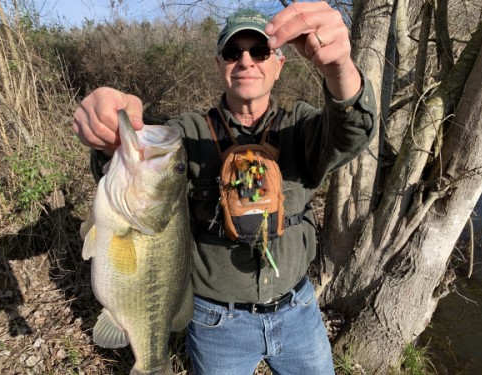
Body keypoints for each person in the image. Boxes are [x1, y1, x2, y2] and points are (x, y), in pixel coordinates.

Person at [73, 3, 376, 374]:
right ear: (219, 64)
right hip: (216, 323)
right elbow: (130, 169)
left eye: (260, 51)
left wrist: (339, 68)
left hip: (298, 311)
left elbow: (353, 130)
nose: (246, 61)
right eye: (233, 52)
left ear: (278, 65)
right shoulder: (184, 134)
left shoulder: (302, 126)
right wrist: (109, 139)